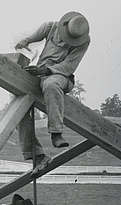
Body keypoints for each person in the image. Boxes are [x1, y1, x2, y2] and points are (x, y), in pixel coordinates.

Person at [14, 11, 90, 172]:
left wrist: (48, 70)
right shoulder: (52, 27)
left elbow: (69, 65)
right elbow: (38, 33)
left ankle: (56, 132)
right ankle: (37, 155)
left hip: (60, 76)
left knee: (51, 84)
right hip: (39, 73)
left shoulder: (83, 42)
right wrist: (26, 40)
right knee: (17, 106)